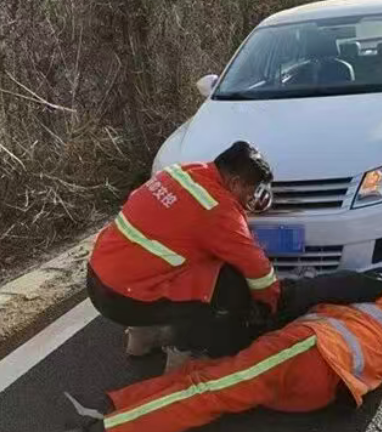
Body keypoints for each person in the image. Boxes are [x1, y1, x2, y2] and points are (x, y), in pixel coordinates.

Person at [69, 261, 382, 432]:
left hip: (309, 349)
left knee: (211, 388)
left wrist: (279, 296)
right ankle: (121, 402)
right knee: (211, 376)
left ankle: (112, 425)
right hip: (320, 392)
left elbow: (331, 286)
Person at [87, 141, 279, 358]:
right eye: (250, 192)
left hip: (98, 278)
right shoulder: (216, 208)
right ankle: (176, 345)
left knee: (185, 264)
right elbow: (256, 269)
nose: (250, 199)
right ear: (235, 182)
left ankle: (141, 336)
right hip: (124, 298)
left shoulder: (179, 172)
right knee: (228, 285)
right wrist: (268, 307)